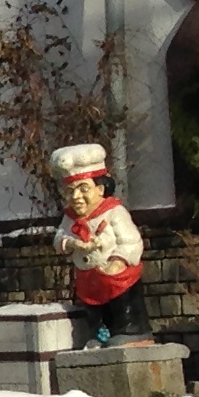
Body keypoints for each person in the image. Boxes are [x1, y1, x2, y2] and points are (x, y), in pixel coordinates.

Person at [54, 142, 146, 345]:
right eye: (70, 191)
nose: (76, 197)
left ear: (100, 189)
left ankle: (130, 332)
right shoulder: (69, 218)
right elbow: (59, 238)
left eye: (83, 189)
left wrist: (118, 260)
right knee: (95, 311)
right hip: (89, 276)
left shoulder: (114, 212)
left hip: (116, 276)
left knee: (120, 305)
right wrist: (72, 244)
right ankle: (100, 336)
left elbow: (131, 241)